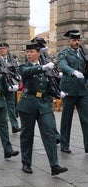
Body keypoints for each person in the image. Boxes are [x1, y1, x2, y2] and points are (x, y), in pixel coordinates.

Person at [17, 42, 68, 175]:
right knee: (27, 135)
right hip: (28, 104)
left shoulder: (46, 66)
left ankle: (54, 165)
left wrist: (57, 93)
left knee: (49, 133)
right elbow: (26, 72)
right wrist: (43, 67)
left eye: (32, 52)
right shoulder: (24, 66)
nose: (29, 54)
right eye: (27, 52)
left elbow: (47, 85)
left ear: (38, 53)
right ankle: (26, 163)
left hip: (44, 104)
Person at [58, 30, 88, 154]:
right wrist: (73, 72)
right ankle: (64, 144)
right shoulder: (64, 53)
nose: (76, 42)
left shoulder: (84, 53)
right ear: (69, 41)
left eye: (78, 40)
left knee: (86, 118)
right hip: (69, 89)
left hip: (82, 90)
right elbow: (62, 65)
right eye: (74, 40)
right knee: (67, 118)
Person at [0, 42, 21, 134]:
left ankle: (14, 125)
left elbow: (16, 70)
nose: (2, 50)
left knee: (11, 106)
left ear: (7, 49)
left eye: (4, 48)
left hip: (10, 84)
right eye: (1, 49)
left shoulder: (11, 60)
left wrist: (18, 77)